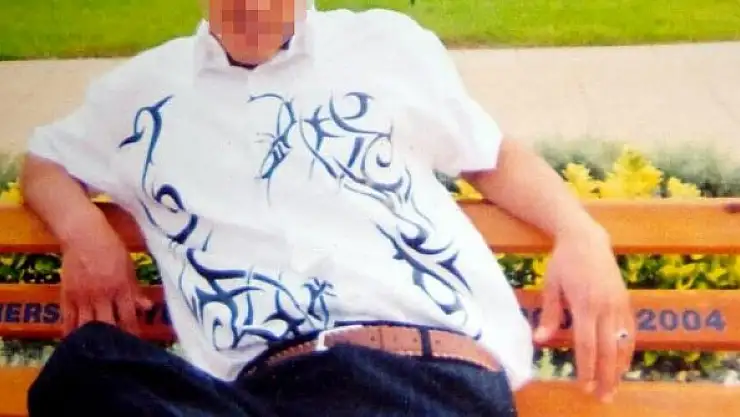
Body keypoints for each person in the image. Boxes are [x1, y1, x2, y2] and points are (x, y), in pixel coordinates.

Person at [19, 0, 635, 416]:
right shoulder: (142, 95)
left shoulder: (382, 44)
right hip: (269, 394)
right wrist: (85, 233)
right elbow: (45, 162)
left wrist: (580, 233)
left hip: (423, 379)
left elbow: (490, 156)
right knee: (83, 372)